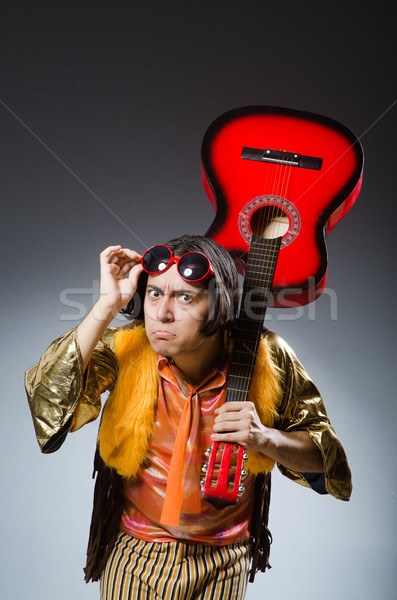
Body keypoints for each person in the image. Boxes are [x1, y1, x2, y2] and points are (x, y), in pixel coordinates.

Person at [25, 235, 352, 600]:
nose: (163, 312)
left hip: (224, 559)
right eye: (154, 294)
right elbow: (46, 402)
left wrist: (266, 439)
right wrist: (106, 305)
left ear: (220, 306)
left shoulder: (266, 357)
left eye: (185, 297)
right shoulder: (127, 347)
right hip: (135, 551)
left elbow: (328, 462)